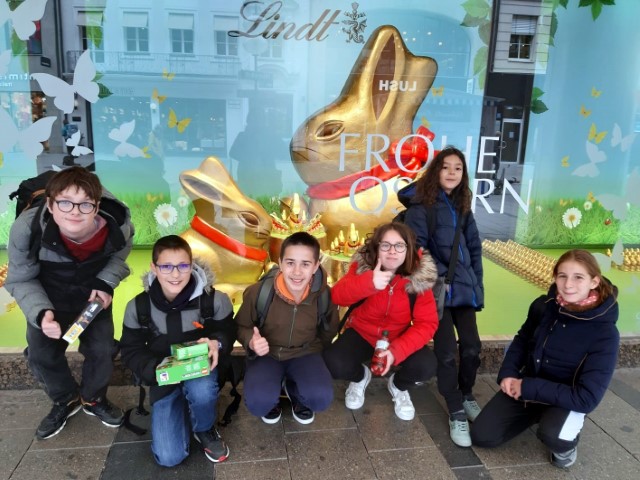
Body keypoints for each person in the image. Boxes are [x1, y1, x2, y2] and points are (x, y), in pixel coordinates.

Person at [6, 166, 134, 440]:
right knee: (42, 355)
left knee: (102, 349)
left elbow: (121, 254)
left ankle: (93, 399)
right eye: (65, 203)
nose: (74, 212)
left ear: (96, 206)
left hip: (92, 297)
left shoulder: (118, 224)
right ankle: (65, 399)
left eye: (85, 204)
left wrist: (106, 282)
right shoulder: (26, 229)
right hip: (47, 295)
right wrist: (40, 313)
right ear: (51, 205)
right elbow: (20, 278)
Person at [471, 249, 619, 469]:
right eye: (562, 276)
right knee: (482, 435)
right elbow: (522, 340)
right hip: (529, 385)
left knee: (554, 436)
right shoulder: (544, 306)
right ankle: (537, 414)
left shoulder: (605, 334)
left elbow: (587, 398)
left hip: (567, 397)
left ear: (594, 281)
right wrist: (509, 374)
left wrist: (527, 387)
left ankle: (564, 441)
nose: (568, 285)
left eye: (578, 277)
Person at [119, 235, 235, 466]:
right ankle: (183, 407)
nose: (175, 274)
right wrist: (157, 370)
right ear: (154, 267)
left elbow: (229, 332)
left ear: (191, 265)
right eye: (166, 267)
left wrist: (217, 343)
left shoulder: (214, 300)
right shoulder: (138, 307)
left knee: (202, 391)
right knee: (169, 458)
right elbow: (130, 350)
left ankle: (204, 427)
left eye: (182, 266)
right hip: (163, 379)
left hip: (201, 373)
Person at [398, 146, 484, 446]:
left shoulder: (463, 207)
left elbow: (475, 250)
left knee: (472, 347)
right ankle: (455, 408)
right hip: (438, 292)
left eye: (458, 168)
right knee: (446, 352)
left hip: (464, 290)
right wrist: (439, 278)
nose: (451, 172)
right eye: (446, 167)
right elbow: (416, 250)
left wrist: (477, 288)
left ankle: (467, 393)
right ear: (436, 171)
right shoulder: (420, 207)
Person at [324, 222, 440, 421]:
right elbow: (337, 296)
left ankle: (398, 386)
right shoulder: (363, 267)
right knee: (334, 362)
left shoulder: (418, 278)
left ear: (408, 249)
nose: (392, 251)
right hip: (362, 333)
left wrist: (396, 352)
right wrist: (369, 282)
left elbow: (427, 323)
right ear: (376, 248)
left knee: (426, 366)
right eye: (385, 245)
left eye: (399, 245)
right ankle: (361, 377)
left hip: (397, 336)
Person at [234, 231, 339, 425]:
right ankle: (271, 398)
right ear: (280, 263)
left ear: (316, 266)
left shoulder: (324, 296)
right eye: (290, 263)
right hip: (267, 354)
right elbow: (241, 326)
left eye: (305, 264)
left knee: (320, 399)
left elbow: (328, 331)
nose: (297, 272)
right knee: (259, 404)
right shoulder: (259, 292)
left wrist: (314, 355)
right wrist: (251, 341)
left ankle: (294, 389)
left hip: (305, 353)